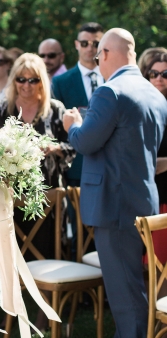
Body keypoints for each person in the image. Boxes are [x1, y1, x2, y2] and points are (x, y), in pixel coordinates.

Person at [63, 28, 167, 338]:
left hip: (114, 204)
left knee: (125, 290)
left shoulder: (110, 91)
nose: (96, 59)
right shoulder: (153, 93)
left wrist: (73, 124)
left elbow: (86, 141)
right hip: (140, 200)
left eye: (98, 53)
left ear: (107, 53)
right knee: (128, 285)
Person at [0, 53, 75, 261]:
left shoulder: (55, 109)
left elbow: (74, 145)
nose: (26, 85)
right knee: (14, 251)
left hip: (48, 192)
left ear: (42, 81)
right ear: (14, 80)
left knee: (47, 247)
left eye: (33, 80)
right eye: (21, 79)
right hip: (11, 190)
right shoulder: (4, 108)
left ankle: (46, 291)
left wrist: (53, 148)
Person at [52, 22, 104, 245]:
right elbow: (58, 130)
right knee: (80, 235)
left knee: (105, 232)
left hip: (109, 166)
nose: (90, 48)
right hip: (78, 167)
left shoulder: (112, 77)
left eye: (96, 43)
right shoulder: (62, 81)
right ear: (76, 45)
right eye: (85, 43)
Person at [143, 52, 167, 264]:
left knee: (162, 262)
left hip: (165, 196)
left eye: (165, 73)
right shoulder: (142, 109)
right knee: (150, 264)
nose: (159, 78)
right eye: (154, 73)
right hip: (148, 196)